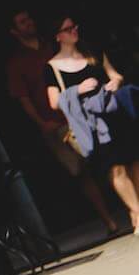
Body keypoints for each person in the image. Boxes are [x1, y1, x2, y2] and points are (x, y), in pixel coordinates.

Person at [5, 9, 118, 233]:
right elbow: (24, 98)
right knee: (80, 171)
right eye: (22, 22)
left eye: (29, 18)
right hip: (56, 123)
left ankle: (127, 207)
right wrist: (42, 123)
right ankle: (109, 220)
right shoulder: (17, 63)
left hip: (83, 113)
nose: (29, 23)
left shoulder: (54, 45)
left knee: (106, 159)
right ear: (14, 31)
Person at [45, 15, 139, 225]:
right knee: (114, 167)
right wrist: (77, 90)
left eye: (74, 27)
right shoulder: (52, 67)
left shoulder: (92, 52)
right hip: (93, 124)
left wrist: (115, 82)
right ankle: (137, 213)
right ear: (57, 36)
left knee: (134, 162)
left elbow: (115, 75)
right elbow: (53, 101)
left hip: (115, 114)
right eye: (68, 29)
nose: (73, 31)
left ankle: (137, 212)